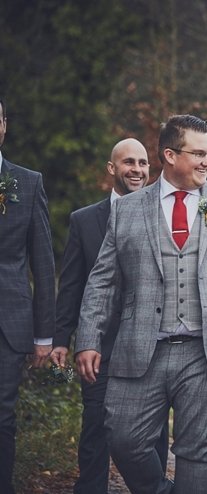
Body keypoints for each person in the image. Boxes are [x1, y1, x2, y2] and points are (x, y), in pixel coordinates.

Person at [75, 114, 207, 494]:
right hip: (140, 347)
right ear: (169, 155)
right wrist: (88, 338)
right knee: (123, 438)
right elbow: (103, 279)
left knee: (198, 449)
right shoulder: (129, 208)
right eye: (198, 153)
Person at [50, 138, 169, 493]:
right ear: (111, 168)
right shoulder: (85, 221)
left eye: (144, 163)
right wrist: (61, 339)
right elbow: (72, 286)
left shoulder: (168, 216)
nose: (137, 169)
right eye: (129, 162)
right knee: (96, 429)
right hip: (99, 346)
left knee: (154, 431)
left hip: (151, 346)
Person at [0, 97, 56, 494]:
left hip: (9, 323)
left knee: (2, 415)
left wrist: (44, 335)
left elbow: (44, 263)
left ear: (4, 125)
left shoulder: (27, 181)